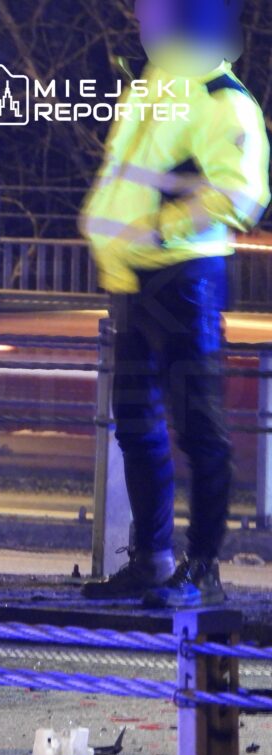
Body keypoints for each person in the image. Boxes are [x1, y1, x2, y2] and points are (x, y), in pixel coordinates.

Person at [80, 0, 269, 607]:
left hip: (185, 281)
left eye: (155, 10)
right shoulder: (154, 87)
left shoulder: (222, 98)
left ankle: (203, 571)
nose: (142, 18)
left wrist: (162, 231)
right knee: (137, 427)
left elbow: (241, 195)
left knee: (198, 429)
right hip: (136, 281)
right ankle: (153, 562)